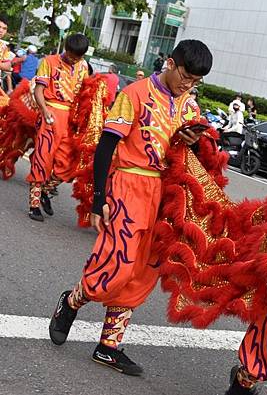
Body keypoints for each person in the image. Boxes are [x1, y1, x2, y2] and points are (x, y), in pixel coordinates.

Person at [47, 39, 212, 376]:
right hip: (129, 183)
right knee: (116, 262)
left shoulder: (191, 109)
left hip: (163, 193)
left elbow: (187, 159)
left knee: (143, 270)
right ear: (170, 63)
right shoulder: (134, 93)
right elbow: (107, 145)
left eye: (196, 81)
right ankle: (72, 300)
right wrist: (98, 198)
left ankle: (108, 346)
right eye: (185, 76)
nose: (188, 85)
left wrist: (191, 144)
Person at [26, 33, 90, 222]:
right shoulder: (49, 61)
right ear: (66, 49)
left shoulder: (84, 66)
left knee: (68, 164)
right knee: (42, 159)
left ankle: (45, 191)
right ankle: (34, 205)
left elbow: (85, 94)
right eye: (71, 55)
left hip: (71, 119)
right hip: (51, 114)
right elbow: (39, 90)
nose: (73, 60)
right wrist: (45, 111)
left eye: (77, 57)